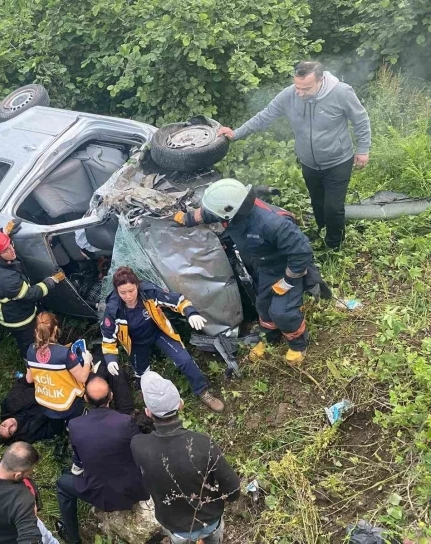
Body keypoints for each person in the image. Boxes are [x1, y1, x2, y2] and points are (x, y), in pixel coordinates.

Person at [217, 61, 371, 249]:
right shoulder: (290, 95)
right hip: (308, 162)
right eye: (297, 86)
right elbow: (264, 116)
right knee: (317, 202)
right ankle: (323, 228)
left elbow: (360, 120)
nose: (299, 93)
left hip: (338, 161)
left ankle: (333, 246)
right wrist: (236, 133)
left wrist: (363, 149)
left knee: (333, 207)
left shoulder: (342, 93)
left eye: (305, 88)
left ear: (321, 80)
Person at [174, 178, 317, 364]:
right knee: (263, 306)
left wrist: (288, 281)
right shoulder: (233, 209)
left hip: (286, 268)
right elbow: (208, 213)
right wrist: (186, 218)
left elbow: (301, 252)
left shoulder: (272, 224)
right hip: (265, 267)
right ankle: (269, 339)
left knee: (282, 311)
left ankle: (298, 344)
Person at [131, 371, 240, 544]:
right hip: (210, 520)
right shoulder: (202, 444)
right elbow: (233, 490)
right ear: (180, 405)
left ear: (148, 412)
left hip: (176, 526)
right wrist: (215, 499)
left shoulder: (138, 445)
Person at [100, 266, 224, 412]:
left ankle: (203, 391)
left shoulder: (149, 292)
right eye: (123, 293)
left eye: (131, 291)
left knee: (184, 360)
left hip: (158, 332)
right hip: (135, 343)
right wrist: (110, 359)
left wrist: (191, 313)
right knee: (142, 374)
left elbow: (177, 300)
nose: (128, 296)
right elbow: (108, 338)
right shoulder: (113, 309)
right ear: (117, 291)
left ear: (137, 286)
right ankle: (149, 400)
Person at [55, 376, 149, 544]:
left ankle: (73, 538)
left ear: (85, 399)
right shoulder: (126, 422)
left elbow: (79, 459)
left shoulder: (75, 425)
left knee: (63, 483)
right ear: (111, 396)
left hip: (100, 495)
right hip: (134, 491)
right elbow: (142, 452)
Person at [0, 228, 66, 360]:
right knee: (28, 343)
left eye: (10, 244)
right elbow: (30, 294)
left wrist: (4, 231)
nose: (11, 250)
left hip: (18, 307)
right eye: (6, 250)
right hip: (18, 319)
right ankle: (31, 362)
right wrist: (51, 281)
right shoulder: (7, 281)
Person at [26, 312, 92, 424]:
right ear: (55, 329)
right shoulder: (63, 353)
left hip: (45, 405)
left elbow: (29, 379)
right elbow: (83, 377)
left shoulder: (31, 350)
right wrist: (87, 361)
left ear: (36, 331)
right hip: (68, 406)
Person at [0, 377, 65, 446]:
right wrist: (54, 410)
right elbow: (54, 430)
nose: (11, 424)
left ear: (1, 422)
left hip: (46, 382)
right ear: (13, 435)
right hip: (60, 401)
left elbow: (23, 383)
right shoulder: (29, 434)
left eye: (4, 424)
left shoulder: (9, 404)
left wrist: (41, 378)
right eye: (10, 431)